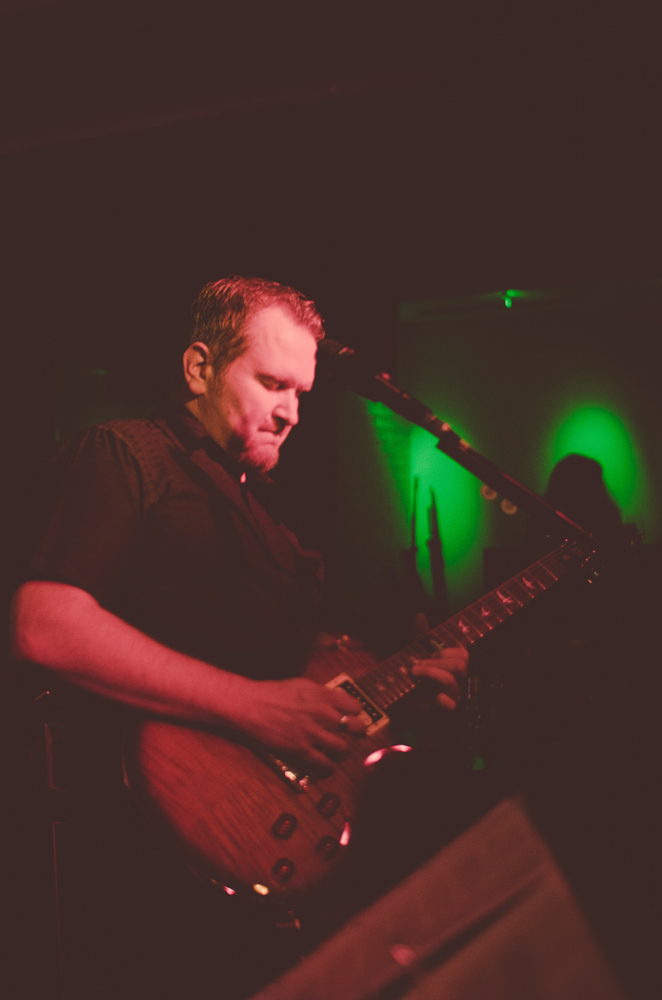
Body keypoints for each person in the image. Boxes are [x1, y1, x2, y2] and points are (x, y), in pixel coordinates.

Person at [11, 276, 468, 997]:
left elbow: (297, 686)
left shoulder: (261, 511)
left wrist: (400, 701)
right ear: (199, 369)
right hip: (145, 867)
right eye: (272, 383)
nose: (291, 412)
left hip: (268, 852)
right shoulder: (127, 454)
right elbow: (45, 623)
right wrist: (252, 707)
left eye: (301, 393)